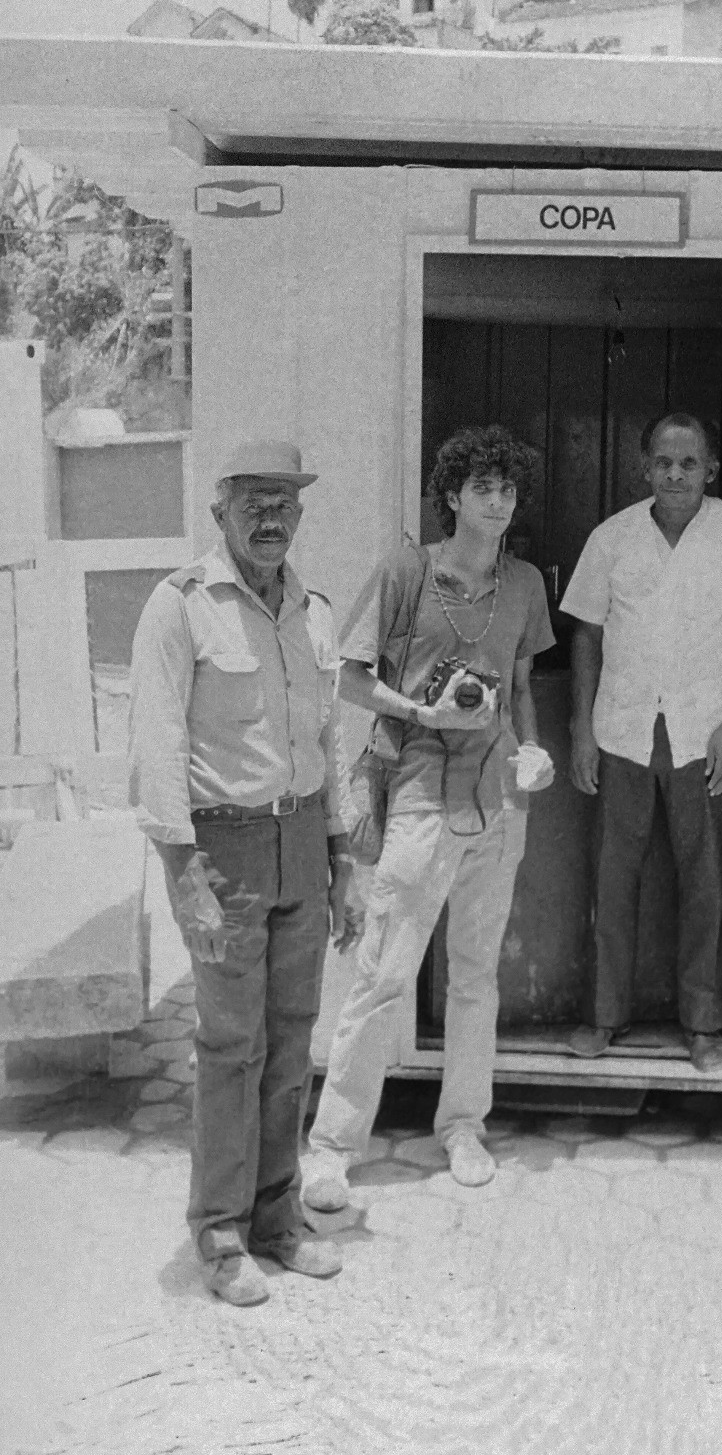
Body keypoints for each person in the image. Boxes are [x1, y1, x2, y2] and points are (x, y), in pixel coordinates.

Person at [302, 424, 555, 1208]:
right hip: (418, 797)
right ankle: (333, 1146)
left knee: (477, 977)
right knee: (382, 975)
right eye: (481, 487)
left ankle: (463, 1126)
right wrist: (421, 709)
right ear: (451, 496)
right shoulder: (407, 570)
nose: (497, 500)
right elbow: (348, 679)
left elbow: (517, 687)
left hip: (497, 805)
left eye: (507, 488)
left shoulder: (522, 586)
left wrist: (534, 753)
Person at [129, 440, 354, 1306]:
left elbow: (329, 742)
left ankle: (277, 1218)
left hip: (300, 842)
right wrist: (181, 869)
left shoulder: (313, 609)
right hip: (221, 849)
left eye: (285, 504)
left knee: (293, 1039)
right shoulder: (180, 606)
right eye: (254, 502)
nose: (272, 518)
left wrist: (344, 859)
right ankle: (219, 1233)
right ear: (219, 512)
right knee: (230, 1042)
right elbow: (158, 745)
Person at [560, 412, 722, 1071]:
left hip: (702, 734)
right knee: (612, 877)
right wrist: (580, 728)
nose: (675, 475)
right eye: (664, 463)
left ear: (711, 469)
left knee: (706, 882)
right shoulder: (611, 538)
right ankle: (602, 1016)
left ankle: (703, 1024)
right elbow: (585, 633)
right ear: (644, 468)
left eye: (689, 463)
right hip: (622, 731)